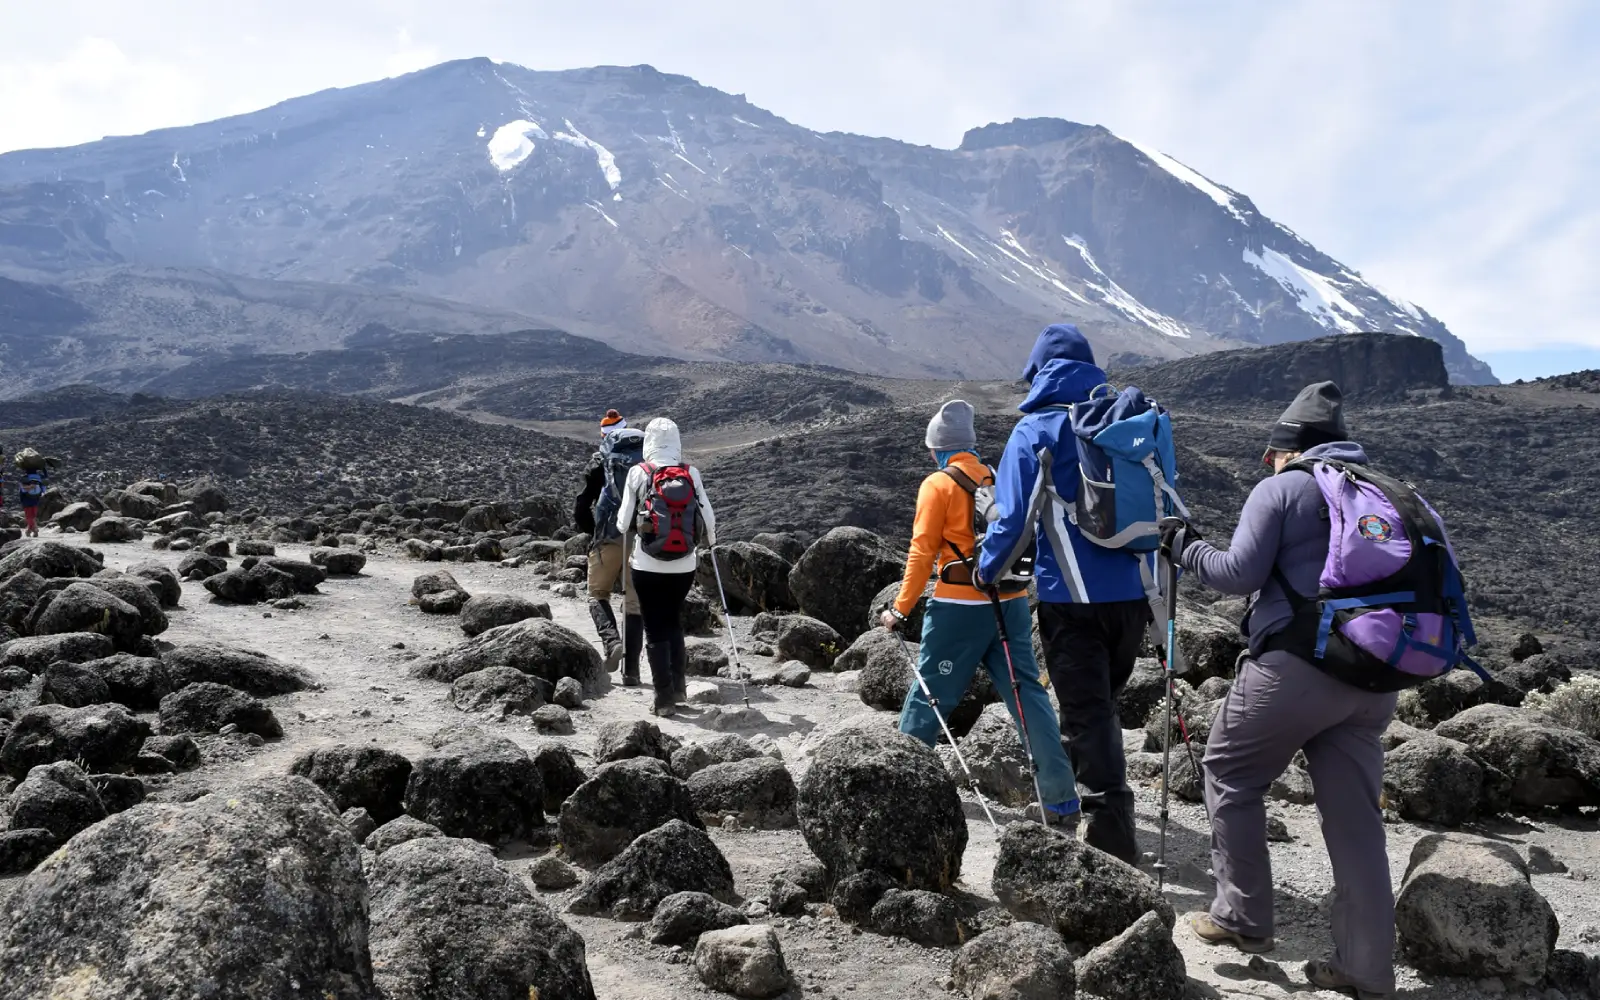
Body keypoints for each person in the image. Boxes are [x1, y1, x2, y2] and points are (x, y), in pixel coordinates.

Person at [1167, 381, 1396, 999]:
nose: (1266, 462)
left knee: (1230, 772)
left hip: (1298, 669)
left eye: (1269, 453)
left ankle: (1242, 917)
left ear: (1287, 449)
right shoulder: (1382, 491)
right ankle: (1368, 969)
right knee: (1355, 821)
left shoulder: (1285, 487)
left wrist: (1184, 546)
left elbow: (1237, 574)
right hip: (1377, 677)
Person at [975, 324, 1153, 864]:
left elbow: (1012, 522)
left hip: (1073, 601)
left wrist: (986, 572)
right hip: (1135, 598)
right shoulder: (1127, 422)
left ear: (1039, 373)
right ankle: (1112, 823)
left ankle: (1110, 848)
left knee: (1085, 716)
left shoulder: (1036, 429)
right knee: (1102, 709)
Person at [881, 399, 1080, 827]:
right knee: (1028, 695)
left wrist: (900, 608)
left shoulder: (937, 484)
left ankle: (898, 787)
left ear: (938, 448)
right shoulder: (997, 477)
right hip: (1011, 603)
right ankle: (1061, 799)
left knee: (931, 693)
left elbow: (922, 552)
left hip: (958, 608)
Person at [614, 417, 716, 717]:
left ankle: (663, 699)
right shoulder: (690, 473)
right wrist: (711, 541)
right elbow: (709, 518)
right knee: (672, 621)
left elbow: (623, 523)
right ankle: (679, 689)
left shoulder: (639, 472)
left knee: (654, 626)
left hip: (646, 565)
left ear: (648, 442)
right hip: (684, 566)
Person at [574, 409, 646, 685]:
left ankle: (612, 642)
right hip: (642, 538)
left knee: (597, 593)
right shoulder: (647, 460)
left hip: (608, 536)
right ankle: (632, 672)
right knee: (634, 603)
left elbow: (582, 506)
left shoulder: (600, 461)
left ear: (604, 435)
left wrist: (593, 533)